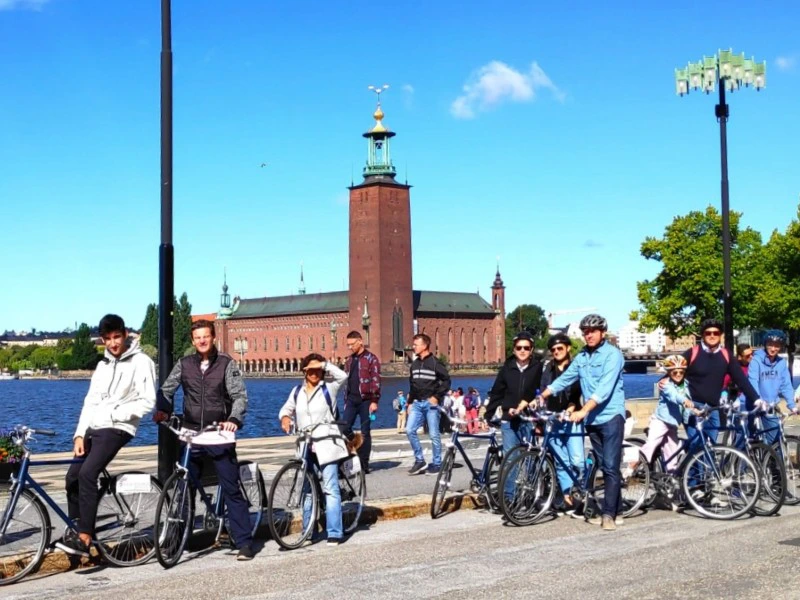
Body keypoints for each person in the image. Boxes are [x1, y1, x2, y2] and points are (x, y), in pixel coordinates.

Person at [153, 319, 255, 561]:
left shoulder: (226, 364)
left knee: (231, 487)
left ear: (213, 338)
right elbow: (167, 389)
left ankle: (244, 542)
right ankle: (176, 540)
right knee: (183, 488)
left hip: (218, 432)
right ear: (193, 340)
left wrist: (234, 418)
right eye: (197, 337)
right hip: (190, 434)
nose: (201, 341)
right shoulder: (184, 364)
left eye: (205, 336)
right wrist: (163, 410)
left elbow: (240, 396)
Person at [58, 314, 156, 557]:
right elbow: (90, 402)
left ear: (125, 335)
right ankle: (76, 528)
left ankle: (85, 536)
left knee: (88, 474)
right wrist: (79, 434)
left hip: (118, 428)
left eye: (117, 337)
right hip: (95, 427)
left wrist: (116, 414)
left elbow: (148, 401)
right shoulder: (102, 366)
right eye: (107, 339)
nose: (113, 343)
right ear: (102, 340)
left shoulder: (141, 362)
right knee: (72, 477)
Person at [520, 314, 625, 532]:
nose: (589, 335)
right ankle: (614, 506)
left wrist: (582, 410)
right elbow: (566, 379)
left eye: (593, 331)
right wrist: (543, 396)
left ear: (602, 333)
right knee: (602, 463)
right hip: (593, 419)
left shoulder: (613, 355)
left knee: (611, 466)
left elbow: (604, 388)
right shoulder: (582, 357)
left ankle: (610, 514)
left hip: (611, 416)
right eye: (586, 332)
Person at [279, 354, 349, 545]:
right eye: (310, 369)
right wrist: (285, 418)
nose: (314, 373)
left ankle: (334, 532)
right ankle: (308, 531)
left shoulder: (329, 389)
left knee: (330, 488)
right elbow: (286, 409)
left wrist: (325, 364)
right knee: (307, 490)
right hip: (306, 446)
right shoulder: (297, 392)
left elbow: (343, 376)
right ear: (304, 371)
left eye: (318, 369)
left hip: (327, 444)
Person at [677, 318, 760, 456]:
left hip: (713, 408)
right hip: (693, 407)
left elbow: (741, 380)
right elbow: (674, 370)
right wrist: (664, 380)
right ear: (702, 335)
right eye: (708, 333)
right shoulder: (693, 353)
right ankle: (691, 478)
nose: (712, 336)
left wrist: (756, 399)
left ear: (720, 335)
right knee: (697, 449)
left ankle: (702, 476)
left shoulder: (726, 355)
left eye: (716, 333)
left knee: (710, 449)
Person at [485, 331, 543, 501]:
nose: (523, 350)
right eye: (519, 347)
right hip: (509, 419)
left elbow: (543, 391)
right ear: (514, 349)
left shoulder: (538, 368)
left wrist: (536, 405)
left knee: (531, 458)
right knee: (511, 459)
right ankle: (509, 498)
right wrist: (489, 414)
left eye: (526, 348)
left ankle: (533, 495)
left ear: (531, 350)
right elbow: (497, 392)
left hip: (529, 418)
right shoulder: (507, 368)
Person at [539, 332, 584, 515]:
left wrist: (571, 409)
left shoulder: (575, 367)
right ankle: (567, 497)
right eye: (553, 349)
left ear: (568, 348)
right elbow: (543, 391)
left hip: (572, 418)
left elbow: (577, 393)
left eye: (560, 348)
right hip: (553, 418)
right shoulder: (548, 369)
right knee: (560, 461)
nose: (556, 351)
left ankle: (582, 491)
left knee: (577, 460)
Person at [640, 355, 694, 474]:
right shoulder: (665, 384)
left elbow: (689, 401)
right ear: (669, 373)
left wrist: (697, 410)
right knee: (651, 444)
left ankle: (670, 479)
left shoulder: (685, 384)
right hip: (661, 421)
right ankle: (633, 465)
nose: (679, 374)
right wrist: (684, 401)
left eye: (681, 372)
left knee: (672, 453)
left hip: (673, 424)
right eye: (675, 372)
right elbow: (674, 395)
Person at [406, 333, 451, 475]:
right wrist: (409, 403)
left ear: (424, 346)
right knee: (409, 430)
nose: (413, 347)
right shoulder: (414, 364)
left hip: (431, 404)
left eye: (416, 344)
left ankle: (437, 463)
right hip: (417, 403)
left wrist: (437, 396)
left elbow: (446, 381)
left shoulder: (435, 363)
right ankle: (420, 460)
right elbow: (412, 385)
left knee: (434, 435)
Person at [747, 330, 798, 444]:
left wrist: (791, 405)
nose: (773, 348)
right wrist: (757, 399)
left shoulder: (781, 363)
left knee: (775, 438)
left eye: (777, 346)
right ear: (765, 344)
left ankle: (773, 461)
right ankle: (739, 460)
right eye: (770, 344)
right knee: (747, 438)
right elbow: (753, 381)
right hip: (754, 403)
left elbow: (786, 385)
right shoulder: (756, 360)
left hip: (770, 406)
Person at [343, 331, 381, 474]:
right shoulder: (350, 360)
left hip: (366, 400)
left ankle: (364, 464)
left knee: (366, 432)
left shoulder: (371, 359)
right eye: (348, 345)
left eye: (352, 344)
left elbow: (376, 380)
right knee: (344, 427)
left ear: (360, 341)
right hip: (351, 400)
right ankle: (355, 443)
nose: (350, 347)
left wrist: (374, 400)